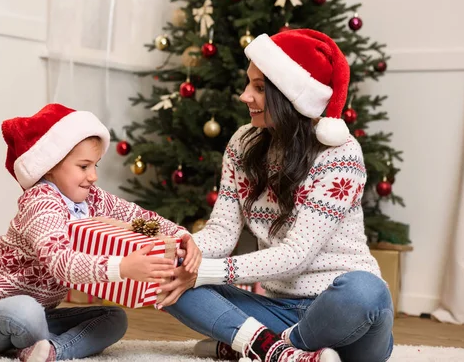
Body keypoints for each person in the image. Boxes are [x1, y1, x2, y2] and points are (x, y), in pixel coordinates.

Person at [159, 29, 393, 362]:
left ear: (289, 95)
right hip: (276, 308)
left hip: (345, 314)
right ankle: (276, 349)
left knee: (366, 291)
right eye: (247, 84)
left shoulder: (338, 153)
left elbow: (297, 254)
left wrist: (208, 271)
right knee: (168, 279)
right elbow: (222, 233)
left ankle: (264, 344)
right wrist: (184, 252)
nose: (244, 97)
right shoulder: (243, 143)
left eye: (258, 88)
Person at [0, 104, 201, 362]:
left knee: (114, 318)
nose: (93, 176)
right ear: (50, 166)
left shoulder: (91, 199)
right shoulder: (40, 202)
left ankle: (51, 352)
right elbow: (60, 263)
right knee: (26, 310)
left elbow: (137, 216)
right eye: (84, 166)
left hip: (40, 315)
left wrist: (183, 235)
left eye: (95, 165)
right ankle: (37, 343)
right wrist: (123, 267)